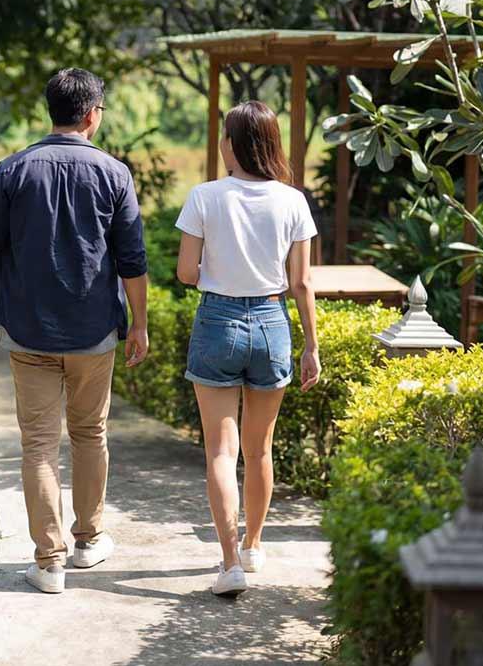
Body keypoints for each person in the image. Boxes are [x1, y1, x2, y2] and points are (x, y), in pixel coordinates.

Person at [0, 68, 150, 595]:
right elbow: (133, 260)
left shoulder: (13, 170)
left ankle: (48, 562)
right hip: (94, 332)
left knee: (38, 446)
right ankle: (89, 539)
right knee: (90, 434)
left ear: (52, 110)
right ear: (92, 114)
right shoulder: (114, 174)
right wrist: (140, 325)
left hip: (28, 332)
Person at [175, 100, 320, 598]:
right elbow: (301, 283)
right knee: (260, 449)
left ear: (234, 144)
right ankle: (255, 545)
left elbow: (186, 273)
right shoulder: (292, 201)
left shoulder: (205, 197)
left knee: (221, 449)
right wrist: (311, 348)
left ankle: (230, 562)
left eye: (224, 135)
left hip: (217, 319)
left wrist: (217, 264)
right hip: (272, 322)